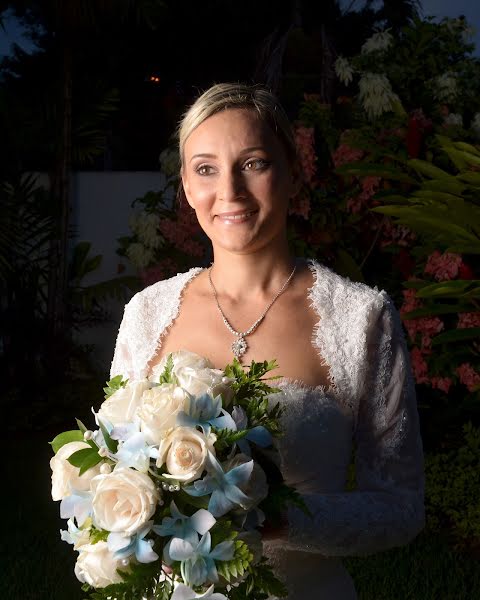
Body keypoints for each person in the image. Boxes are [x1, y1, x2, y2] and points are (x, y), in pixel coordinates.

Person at [110, 83, 425, 599]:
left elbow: (401, 508)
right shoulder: (147, 313)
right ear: (187, 187)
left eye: (253, 163)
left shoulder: (361, 319)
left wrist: (272, 516)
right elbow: (114, 468)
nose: (228, 191)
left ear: (293, 172)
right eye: (206, 169)